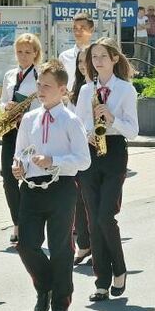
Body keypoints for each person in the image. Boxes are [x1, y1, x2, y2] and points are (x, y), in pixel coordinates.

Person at [12, 61, 91, 311]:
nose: (40, 90)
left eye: (46, 86)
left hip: (61, 188)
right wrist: (18, 165)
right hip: (32, 189)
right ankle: (45, 285)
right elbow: (20, 151)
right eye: (38, 84)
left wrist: (54, 160)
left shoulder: (71, 120)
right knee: (25, 244)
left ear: (62, 89)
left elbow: (83, 160)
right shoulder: (29, 118)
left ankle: (61, 304)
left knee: (60, 248)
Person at [76, 39, 139, 301]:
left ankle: (120, 269)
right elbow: (77, 123)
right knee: (92, 218)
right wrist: (87, 133)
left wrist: (112, 118)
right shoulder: (85, 90)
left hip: (113, 150)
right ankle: (101, 281)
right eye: (94, 57)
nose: (97, 61)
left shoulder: (125, 90)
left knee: (105, 216)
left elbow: (133, 131)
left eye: (103, 56)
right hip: (90, 151)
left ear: (114, 59)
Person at [0, 33, 42, 249]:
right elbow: (3, 100)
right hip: (10, 130)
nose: (23, 56)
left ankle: (28, 224)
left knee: (27, 175)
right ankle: (17, 222)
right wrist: (6, 106)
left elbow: (43, 103)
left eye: (27, 52)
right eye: (19, 52)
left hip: (31, 131)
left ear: (35, 53)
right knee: (8, 177)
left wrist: (25, 111)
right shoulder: (9, 75)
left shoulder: (40, 75)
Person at [68, 46, 94, 265]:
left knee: (93, 200)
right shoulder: (76, 88)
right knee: (78, 198)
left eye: (87, 61)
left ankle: (95, 240)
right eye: (79, 62)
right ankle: (84, 243)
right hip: (77, 149)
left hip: (98, 148)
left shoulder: (99, 87)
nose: (83, 66)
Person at [60, 12, 96, 86]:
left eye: (82, 28)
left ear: (91, 30)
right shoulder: (64, 57)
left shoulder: (97, 56)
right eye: (75, 28)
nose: (77, 32)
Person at [144, 5, 155, 69]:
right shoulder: (145, 17)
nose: (151, 11)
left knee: (153, 54)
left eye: (153, 10)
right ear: (147, 10)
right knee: (146, 54)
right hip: (147, 37)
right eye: (150, 10)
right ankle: (145, 70)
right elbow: (145, 26)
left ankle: (152, 70)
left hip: (154, 37)